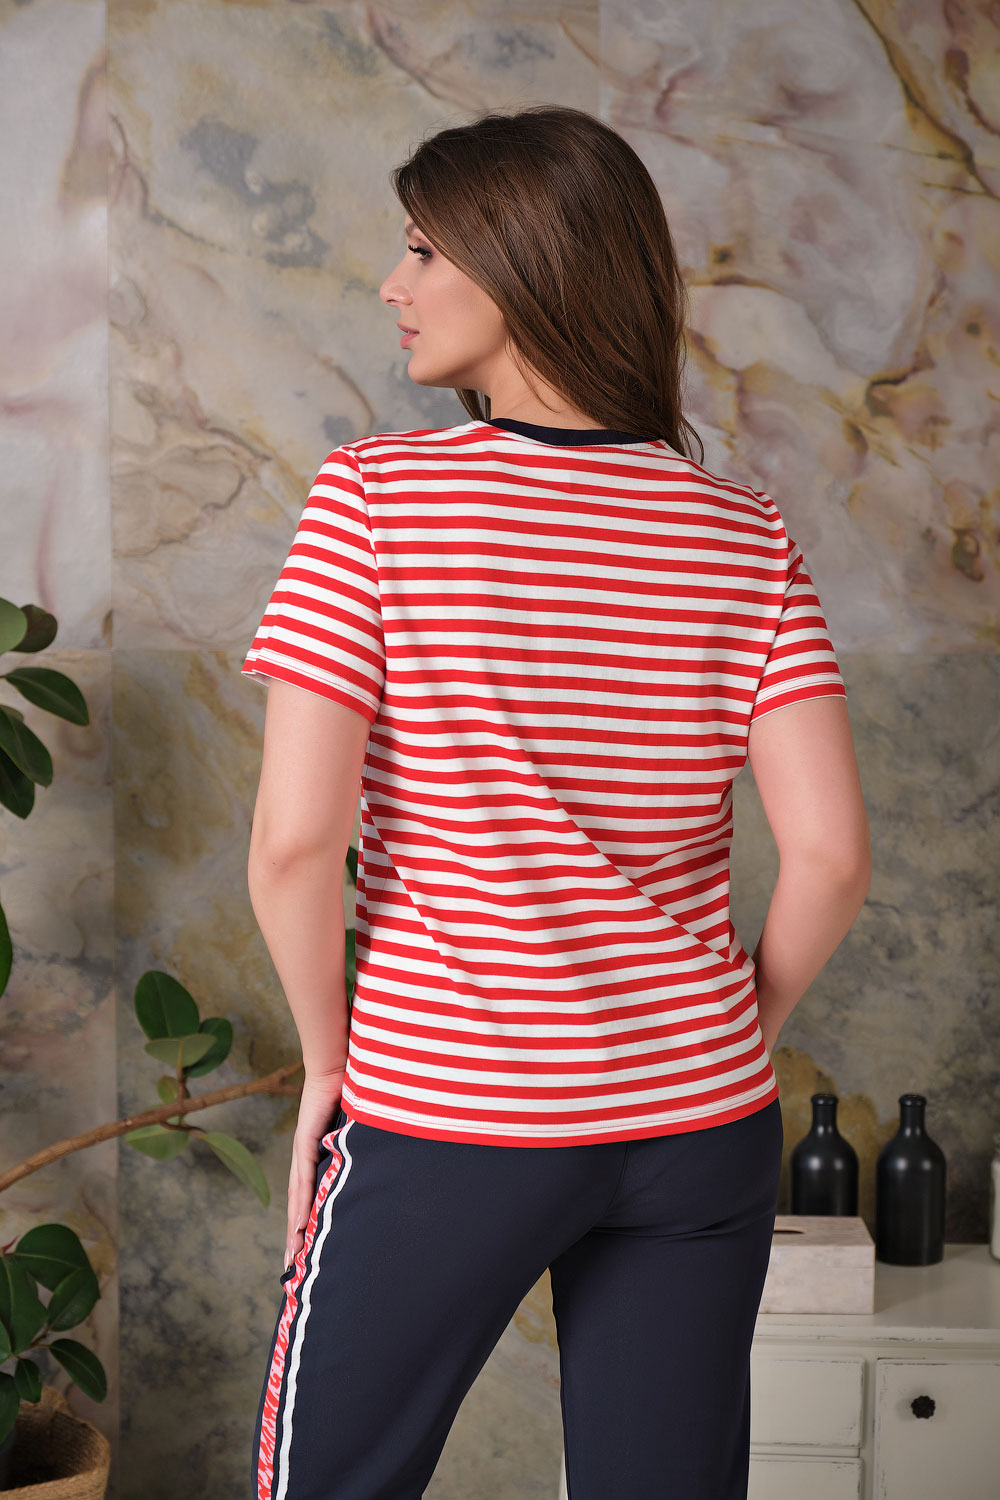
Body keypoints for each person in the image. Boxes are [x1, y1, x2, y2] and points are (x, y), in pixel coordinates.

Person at [242, 104, 871, 1500]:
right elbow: (830, 855)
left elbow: (294, 844)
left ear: (526, 262)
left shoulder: (375, 499)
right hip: (699, 1120)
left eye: (423, 249)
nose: (393, 285)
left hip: (452, 1106)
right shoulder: (745, 532)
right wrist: (729, 1035)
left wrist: (330, 1068)